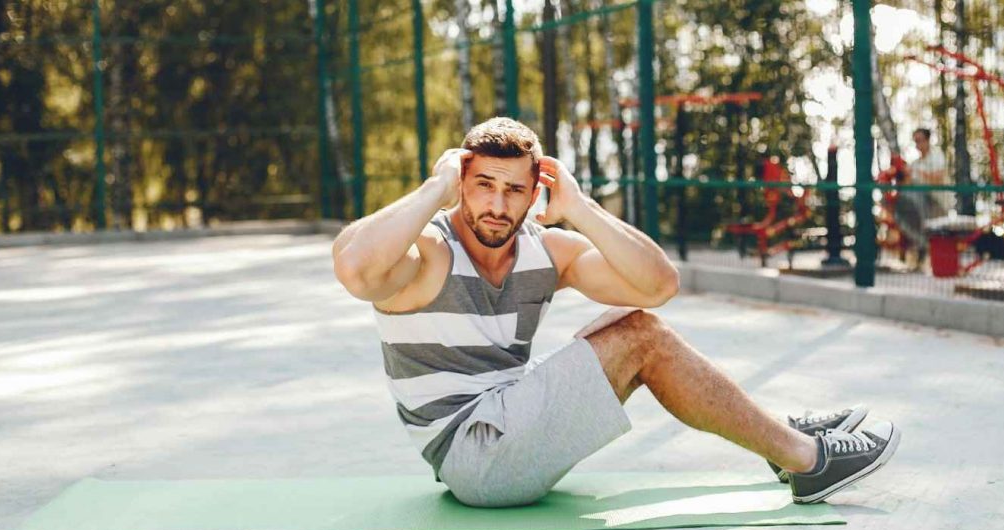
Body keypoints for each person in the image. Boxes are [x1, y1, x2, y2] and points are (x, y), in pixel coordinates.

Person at [332, 117, 900, 507]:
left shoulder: (543, 249)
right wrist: (435, 188)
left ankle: (775, 437)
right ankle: (806, 461)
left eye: (514, 190)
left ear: (536, 193)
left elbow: (657, 285)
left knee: (629, 326)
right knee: (639, 339)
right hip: (471, 453)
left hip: (509, 428)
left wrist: (579, 208)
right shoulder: (429, 250)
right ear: (462, 183)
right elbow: (355, 269)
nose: (497, 205)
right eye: (482, 186)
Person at [894, 127, 954, 262]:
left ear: (928, 140)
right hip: (921, 205)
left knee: (915, 198)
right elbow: (906, 186)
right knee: (900, 205)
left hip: (938, 203)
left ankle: (923, 243)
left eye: (920, 140)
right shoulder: (915, 164)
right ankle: (921, 243)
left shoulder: (937, 156)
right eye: (915, 141)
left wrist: (916, 173)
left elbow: (937, 178)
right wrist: (901, 174)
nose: (918, 144)